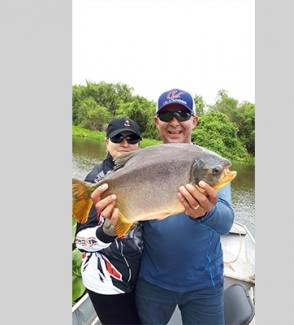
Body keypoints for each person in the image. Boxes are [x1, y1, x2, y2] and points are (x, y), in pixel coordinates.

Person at [92, 89, 235, 325]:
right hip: (153, 281)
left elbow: (226, 221)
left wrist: (206, 212)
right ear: (157, 122)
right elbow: (127, 223)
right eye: (167, 116)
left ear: (194, 120)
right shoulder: (142, 159)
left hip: (204, 282)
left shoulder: (211, 163)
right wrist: (111, 220)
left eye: (182, 114)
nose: (175, 122)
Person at [74, 117, 144, 325]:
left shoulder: (143, 174)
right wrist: (107, 232)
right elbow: (81, 241)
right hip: (107, 281)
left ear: (140, 144)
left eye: (132, 138)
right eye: (117, 138)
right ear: (106, 142)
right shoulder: (96, 182)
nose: (125, 143)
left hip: (138, 275)